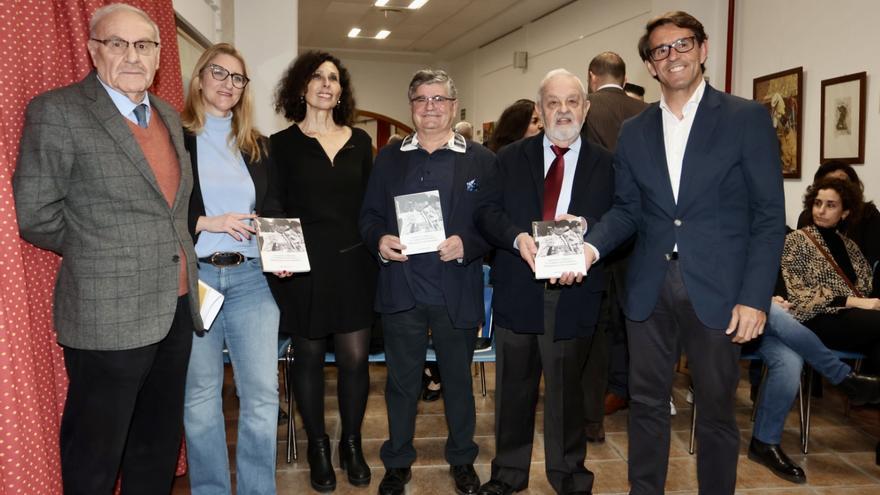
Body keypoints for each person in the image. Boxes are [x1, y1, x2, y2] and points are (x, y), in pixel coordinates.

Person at [583, 11, 785, 494]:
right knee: (647, 406)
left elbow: (768, 217)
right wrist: (589, 247)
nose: (673, 56)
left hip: (719, 292)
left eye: (683, 44)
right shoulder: (636, 130)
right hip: (649, 291)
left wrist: (756, 298)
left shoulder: (746, 118)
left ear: (703, 49)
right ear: (649, 66)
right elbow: (629, 211)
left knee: (716, 411)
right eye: (661, 50)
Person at [13, 4, 202, 493]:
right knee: (95, 454)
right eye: (118, 44)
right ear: (95, 50)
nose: (133, 56)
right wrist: (106, 252)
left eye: (145, 45)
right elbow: (36, 214)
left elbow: (171, 209)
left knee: (156, 445)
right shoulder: (57, 111)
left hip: (177, 306)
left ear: (160, 55)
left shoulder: (167, 114)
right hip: (106, 314)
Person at [475, 68, 614, 495]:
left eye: (572, 101)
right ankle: (508, 474)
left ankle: (570, 476)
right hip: (520, 286)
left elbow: (623, 217)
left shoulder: (606, 164)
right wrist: (517, 238)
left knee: (565, 393)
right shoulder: (509, 157)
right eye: (553, 102)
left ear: (586, 108)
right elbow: (486, 212)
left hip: (573, 292)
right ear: (540, 109)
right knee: (514, 389)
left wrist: (589, 232)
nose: (563, 110)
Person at [359, 69, 494, 495]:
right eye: (421, 99)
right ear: (411, 107)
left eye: (439, 99)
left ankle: (462, 460)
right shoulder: (390, 157)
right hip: (403, 287)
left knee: (458, 383)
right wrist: (380, 240)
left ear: (454, 106)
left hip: (456, 287)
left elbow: (493, 222)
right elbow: (368, 217)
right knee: (401, 384)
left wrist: (468, 244)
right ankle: (397, 461)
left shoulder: (481, 159)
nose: (430, 106)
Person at [267, 50, 376, 492]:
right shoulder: (279, 144)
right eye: (317, 77)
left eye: (334, 78)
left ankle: (351, 443)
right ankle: (317, 444)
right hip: (302, 268)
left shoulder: (361, 142)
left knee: (354, 360)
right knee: (307, 359)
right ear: (301, 87)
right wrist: (280, 259)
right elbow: (272, 206)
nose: (327, 85)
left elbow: (373, 205)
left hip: (355, 264)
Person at [178, 43, 280, 494]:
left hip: (251, 280)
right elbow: (156, 209)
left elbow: (275, 209)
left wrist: (277, 246)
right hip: (196, 276)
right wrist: (206, 222)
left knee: (261, 396)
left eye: (237, 78)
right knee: (200, 397)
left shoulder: (257, 145)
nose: (228, 84)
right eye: (218, 73)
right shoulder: (174, 138)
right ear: (199, 78)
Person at [579, 51, 649, 443]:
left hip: (604, 231)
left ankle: (608, 393)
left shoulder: (590, 111)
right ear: (624, 77)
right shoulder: (648, 111)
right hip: (646, 234)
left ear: (591, 78)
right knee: (636, 316)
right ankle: (635, 390)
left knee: (603, 320)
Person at [749, 296, 880, 484]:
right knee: (771, 309)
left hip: (761, 326)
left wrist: (767, 295)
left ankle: (764, 442)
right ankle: (843, 377)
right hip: (719, 321)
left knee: (790, 362)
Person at [782, 178, 880, 364]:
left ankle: (865, 391)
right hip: (816, 320)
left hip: (855, 320)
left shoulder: (850, 246)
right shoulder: (795, 241)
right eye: (817, 203)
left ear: (845, 212)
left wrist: (864, 303)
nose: (821, 210)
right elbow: (798, 296)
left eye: (830, 205)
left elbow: (866, 286)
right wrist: (853, 302)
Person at [796, 161, 880, 270]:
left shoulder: (869, 214)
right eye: (829, 183)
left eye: (841, 183)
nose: (835, 188)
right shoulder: (807, 216)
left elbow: (874, 260)